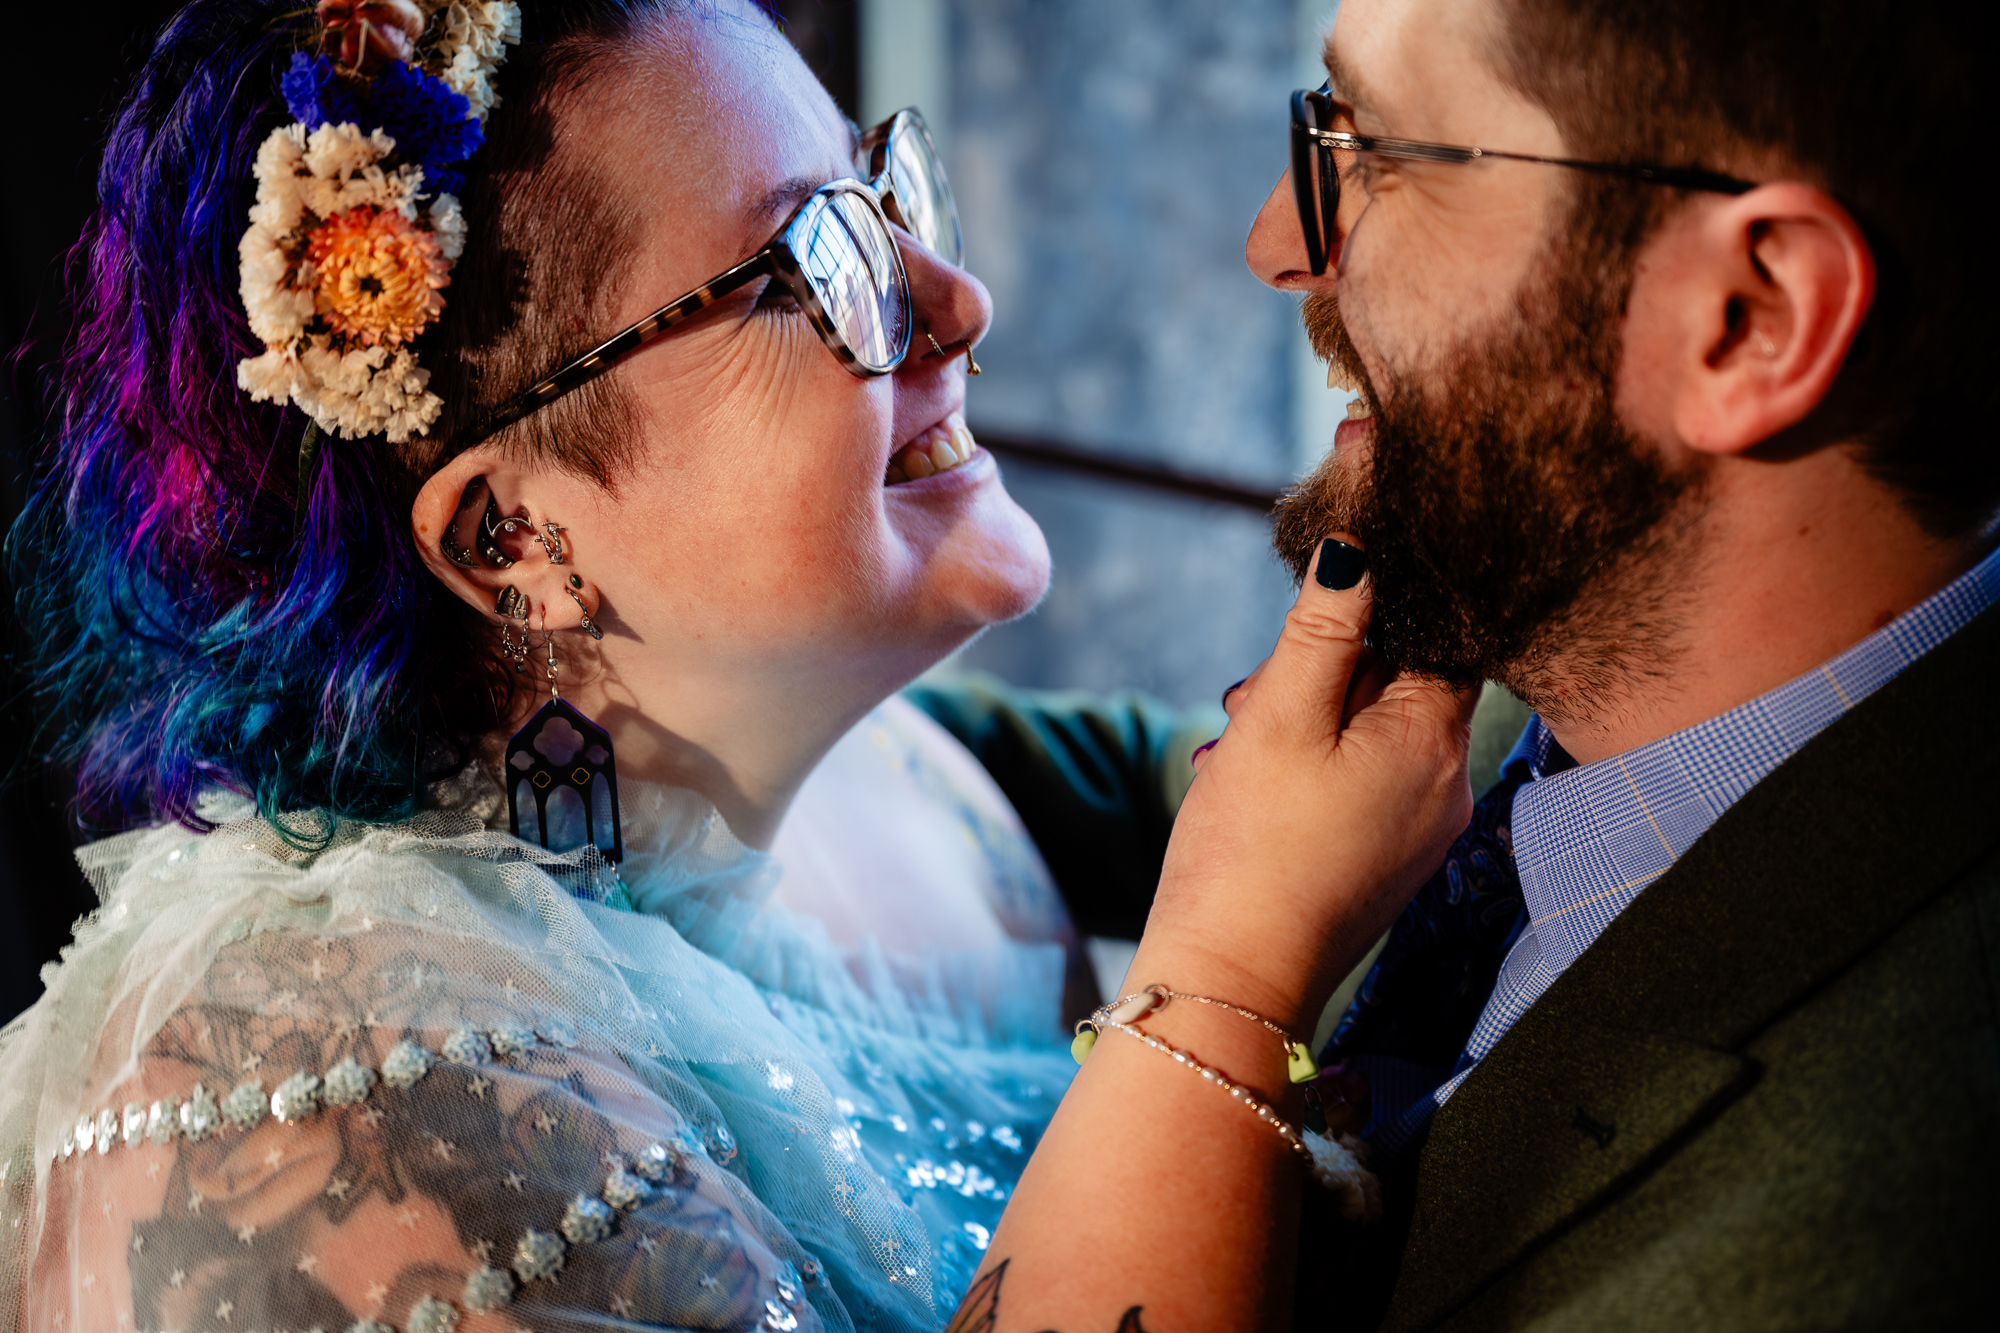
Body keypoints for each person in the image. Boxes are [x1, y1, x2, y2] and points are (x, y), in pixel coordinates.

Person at [0, 2, 1225, 1329]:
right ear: (514, 535)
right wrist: (1236, 979)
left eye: (884, 197)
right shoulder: (400, 1095)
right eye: (814, 263)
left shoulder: (883, 756)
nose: (957, 306)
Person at [957, 0, 1997, 1328]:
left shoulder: (1858, 1246)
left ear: (1751, 317)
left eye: (1381, 152)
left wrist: (1219, 979)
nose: (1277, 245)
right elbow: (1183, 798)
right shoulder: (1579, 642)